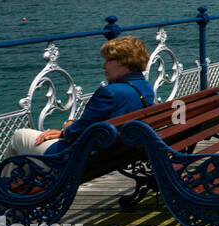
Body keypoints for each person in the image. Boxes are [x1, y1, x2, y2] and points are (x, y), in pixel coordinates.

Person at [8, 36, 155, 156]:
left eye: (108, 61)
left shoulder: (109, 93)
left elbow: (76, 132)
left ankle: (7, 190)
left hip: (83, 159)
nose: (103, 66)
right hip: (121, 153)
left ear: (124, 62)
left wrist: (67, 128)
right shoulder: (146, 87)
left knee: (19, 136)